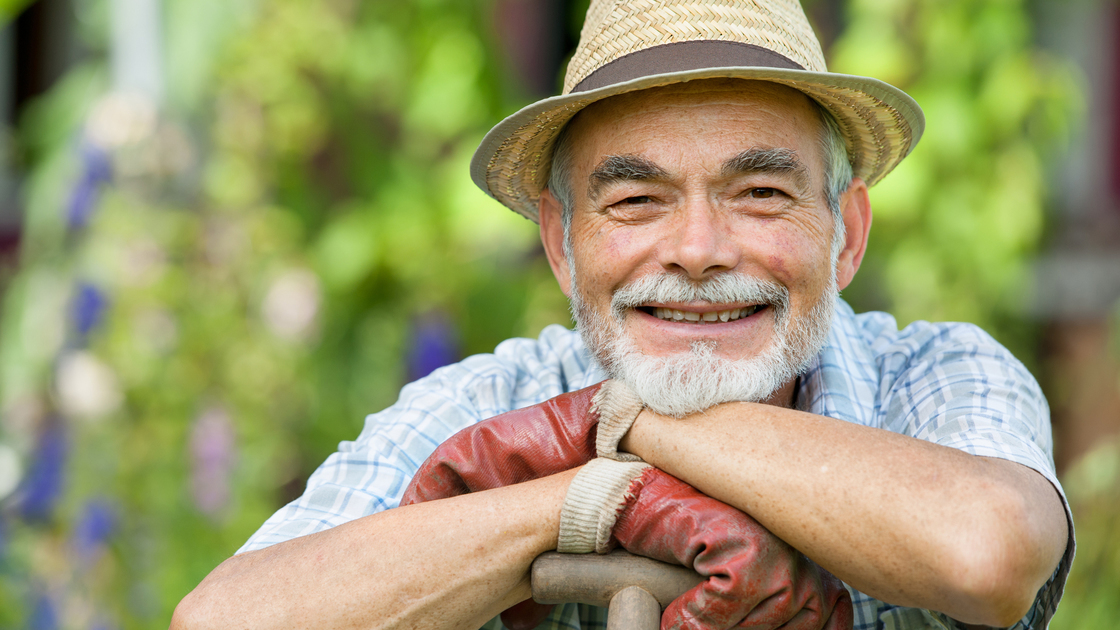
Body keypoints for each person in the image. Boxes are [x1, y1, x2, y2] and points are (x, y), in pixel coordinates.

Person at [172, 1, 1073, 629]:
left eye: (760, 193)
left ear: (845, 234)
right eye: (636, 200)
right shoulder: (496, 393)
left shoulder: (936, 373)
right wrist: (587, 491)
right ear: (562, 244)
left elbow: (986, 553)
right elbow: (223, 623)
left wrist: (625, 419)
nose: (696, 248)